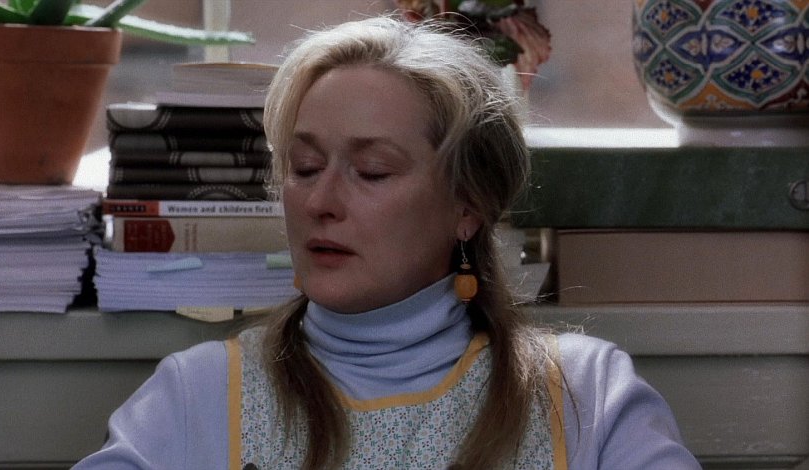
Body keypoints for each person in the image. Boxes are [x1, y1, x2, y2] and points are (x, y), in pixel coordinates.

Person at [74, 15, 701, 470]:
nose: (320, 201)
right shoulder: (198, 397)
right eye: (305, 167)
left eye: (372, 172)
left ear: (467, 206)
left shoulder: (585, 394)